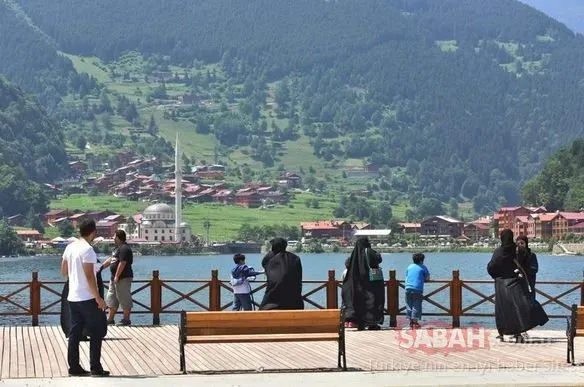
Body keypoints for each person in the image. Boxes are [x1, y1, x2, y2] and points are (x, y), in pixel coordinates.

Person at [61, 219, 109, 377]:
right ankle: (95, 367)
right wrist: (98, 298)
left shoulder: (70, 247)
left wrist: (75, 276)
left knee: (75, 332)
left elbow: (63, 270)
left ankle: (74, 366)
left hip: (72, 297)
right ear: (93, 232)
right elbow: (90, 276)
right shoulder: (88, 250)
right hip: (87, 297)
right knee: (96, 331)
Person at [487, 229, 548, 342]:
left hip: (501, 285)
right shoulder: (518, 250)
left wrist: (498, 277)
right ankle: (518, 332)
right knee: (518, 309)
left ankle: (501, 333)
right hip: (516, 283)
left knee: (502, 309)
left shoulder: (498, 252)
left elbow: (491, 268)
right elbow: (526, 263)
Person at [341, 237, 385, 330]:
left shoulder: (355, 254)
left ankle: (361, 323)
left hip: (358, 285)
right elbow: (378, 259)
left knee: (360, 303)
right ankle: (372, 323)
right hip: (372, 283)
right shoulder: (369, 251)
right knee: (373, 302)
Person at [259, 238, 304, 310]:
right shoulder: (295, 258)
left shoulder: (270, 257)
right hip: (294, 301)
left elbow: (264, 263)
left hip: (272, 301)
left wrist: (271, 253)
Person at [101, 230, 134, 326]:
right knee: (111, 299)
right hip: (114, 279)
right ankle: (110, 319)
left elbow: (122, 263)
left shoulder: (124, 248)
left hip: (122, 278)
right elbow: (111, 259)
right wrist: (101, 267)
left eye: (114, 236)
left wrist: (117, 276)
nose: (113, 238)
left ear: (119, 237)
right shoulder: (116, 249)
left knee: (124, 297)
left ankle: (126, 319)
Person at [405, 253, 430, 329]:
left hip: (408, 288)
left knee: (409, 304)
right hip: (417, 289)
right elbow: (427, 278)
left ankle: (410, 321)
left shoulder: (409, 267)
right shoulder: (423, 267)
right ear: (421, 260)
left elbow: (406, 276)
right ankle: (415, 322)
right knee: (416, 305)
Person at [516, 235, 538, 301]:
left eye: (522, 243)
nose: (520, 245)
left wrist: (523, 268)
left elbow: (534, 269)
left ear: (526, 244)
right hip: (516, 288)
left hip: (529, 287)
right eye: (518, 243)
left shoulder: (531, 255)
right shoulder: (514, 256)